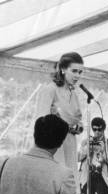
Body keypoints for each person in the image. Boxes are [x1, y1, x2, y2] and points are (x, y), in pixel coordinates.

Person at [35, 52, 84, 180]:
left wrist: (78, 127)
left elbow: (77, 119)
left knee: (68, 181)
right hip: (54, 145)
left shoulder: (74, 94)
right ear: (62, 69)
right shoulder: (50, 89)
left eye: (80, 72)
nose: (77, 75)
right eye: (74, 71)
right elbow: (41, 122)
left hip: (70, 143)